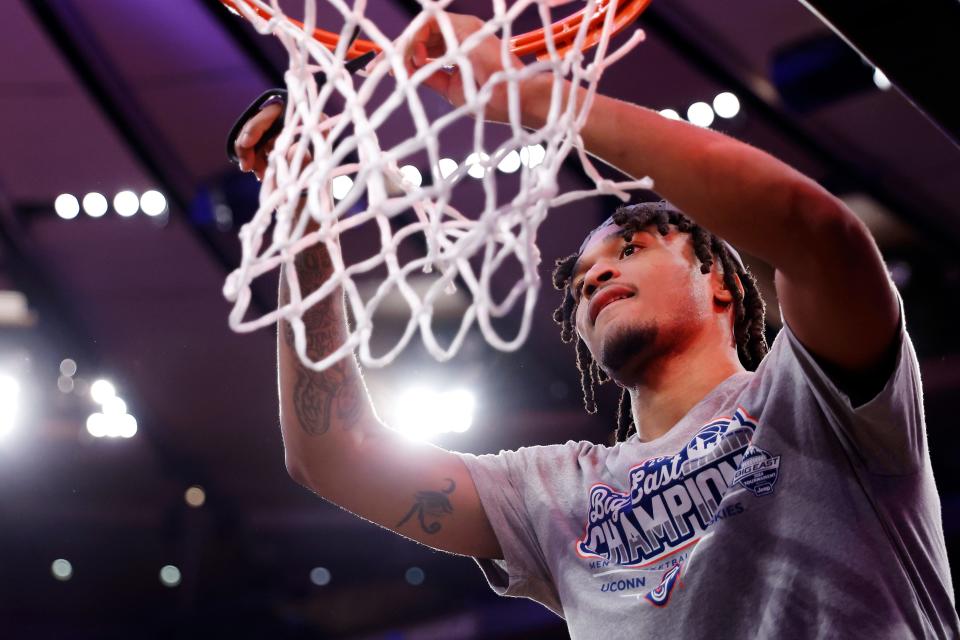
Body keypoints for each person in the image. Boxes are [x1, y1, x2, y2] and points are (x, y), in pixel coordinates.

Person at [231, 12, 959, 638]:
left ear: (724, 283)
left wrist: (527, 94)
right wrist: (305, 224)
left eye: (633, 248)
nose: (597, 277)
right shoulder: (553, 492)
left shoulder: (814, 394)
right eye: (581, 282)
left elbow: (813, 229)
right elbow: (335, 452)